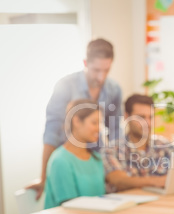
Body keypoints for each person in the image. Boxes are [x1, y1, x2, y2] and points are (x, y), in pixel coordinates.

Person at [27, 38, 122, 200]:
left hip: (93, 158)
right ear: (85, 63)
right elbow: (52, 131)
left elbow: (114, 133)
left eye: (106, 70)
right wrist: (44, 177)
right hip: (68, 159)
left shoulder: (114, 89)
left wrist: (117, 170)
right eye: (96, 70)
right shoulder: (65, 86)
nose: (101, 77)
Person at [101, 94, 174, 192]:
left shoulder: (164, 146)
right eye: (141, 117)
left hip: (163, 204)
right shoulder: (112, 150)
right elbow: (119, 180)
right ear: (127, 116)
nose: (147, 123)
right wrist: (157, 181)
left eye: (150, 117)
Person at [44, 99, 105, 209]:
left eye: (100, 123)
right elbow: (70, 206)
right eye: (94, 122)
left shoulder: (96, 159)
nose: (99, 128)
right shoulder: (60, 161)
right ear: (76, 121)